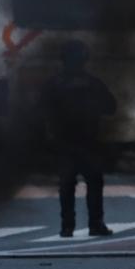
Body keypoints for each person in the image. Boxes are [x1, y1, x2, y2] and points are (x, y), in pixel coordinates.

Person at [41, 39, 117, 238]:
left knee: (67, 185)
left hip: (66, 142)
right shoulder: (92, 83)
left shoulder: (53, 84)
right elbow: (111, 107)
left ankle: (68, 226)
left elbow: (41, 111)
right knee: (92, 182)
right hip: (85, 142)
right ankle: (95, 224)